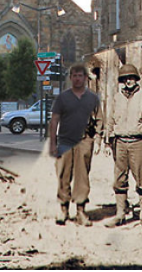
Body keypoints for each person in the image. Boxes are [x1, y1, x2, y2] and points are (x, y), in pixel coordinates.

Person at [104, 63, 142, 229]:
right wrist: (108, 142)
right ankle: (120, 214)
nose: (129, 81)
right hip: (119, 142)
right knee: (119, 180)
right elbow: (110, 119)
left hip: (138, 143)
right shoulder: (116, 97)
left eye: (132, 77)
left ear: (136, 79)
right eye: (125, 78)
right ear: (122, 80)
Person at [49, 63, 103, 226]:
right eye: (75, 76)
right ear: (71, 79)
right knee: (63, 173)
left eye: (81, 76)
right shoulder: (62, 98)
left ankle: (81, 210)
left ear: (86, 79)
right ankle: (63, 209)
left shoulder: (93, 98)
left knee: (82, 175)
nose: (78, 79)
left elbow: (100, 119)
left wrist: (98, 139)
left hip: (85, 139)